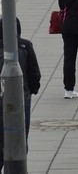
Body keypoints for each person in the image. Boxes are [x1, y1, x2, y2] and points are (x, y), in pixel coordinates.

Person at [0, 18, 40, 170]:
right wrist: (32, 90)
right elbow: (34, 72)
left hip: (3, 99)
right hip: (23, 97)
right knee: (21, 135)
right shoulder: (25, 45)